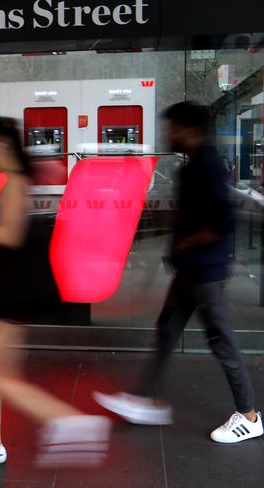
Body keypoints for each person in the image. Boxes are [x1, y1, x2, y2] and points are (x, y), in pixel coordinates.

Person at [94, 102, 262, 443]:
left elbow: (221, 221)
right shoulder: (192, 166)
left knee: (222, 341)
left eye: (172, 127)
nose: (168, 134)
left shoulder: (208, 166)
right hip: (190, 270)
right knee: (167, 331)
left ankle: (249, 415)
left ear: (189, 129)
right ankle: (145, 400)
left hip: (205, 272)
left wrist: (186, 244)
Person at [0, 117, 111, 467]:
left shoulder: (13, 183)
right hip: (9, 289)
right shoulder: (16, 180)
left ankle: (68, 420)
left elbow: (10, 236)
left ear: (3, 145)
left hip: (11, 292)